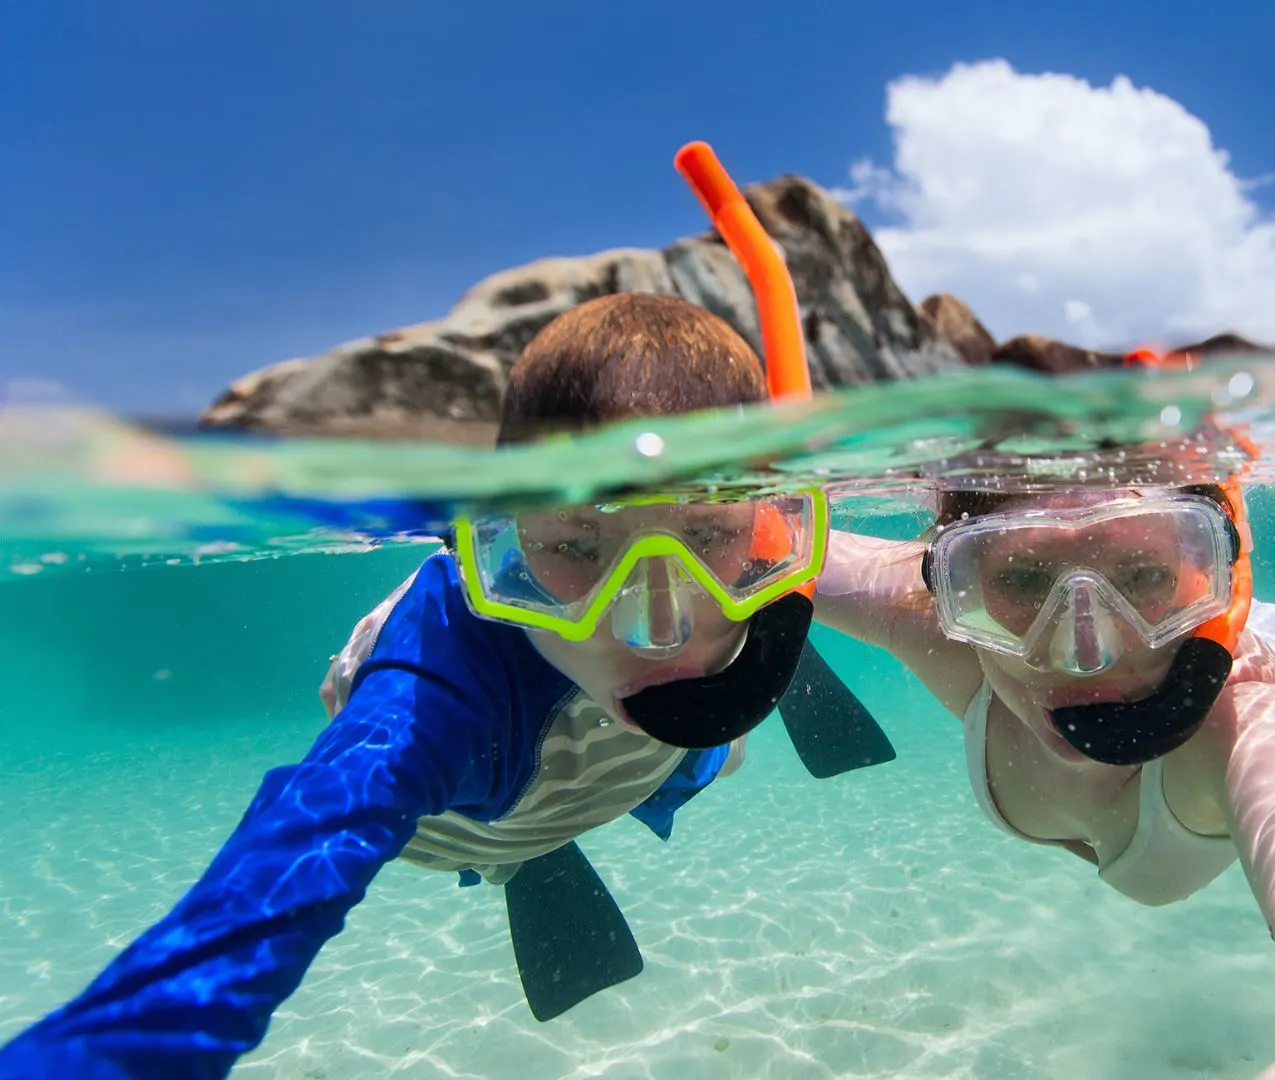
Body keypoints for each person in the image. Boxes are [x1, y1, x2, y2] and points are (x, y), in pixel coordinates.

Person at [0, 144, 891, 1079]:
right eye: (577, 549)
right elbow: (263, 893)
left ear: (771, 527)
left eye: (709, 537)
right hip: (474, 804)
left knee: (710, 731)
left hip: (645, 755)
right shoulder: (432, 701)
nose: (650, 627)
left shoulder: (729, 602)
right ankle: (523, 859)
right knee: (558, 789)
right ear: (493, 545)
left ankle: (715, 680)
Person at [814, 444, 1275, 1080]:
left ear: (1213, 573)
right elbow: (766, 541)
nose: (1087, 653)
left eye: (1142, 573)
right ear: (954, 587)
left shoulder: (1250, 725)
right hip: (1168, 617)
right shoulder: (932, 624)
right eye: (1024, 577)